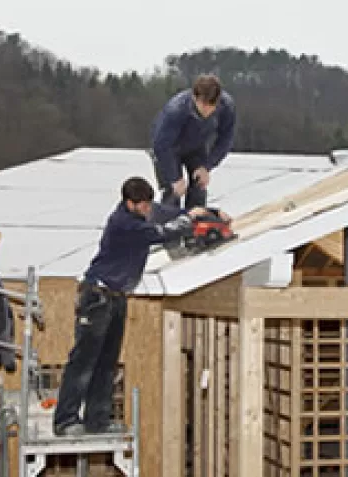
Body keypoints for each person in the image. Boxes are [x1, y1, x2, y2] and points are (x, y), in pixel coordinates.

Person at [53, 176, 207, 436]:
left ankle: (96, 421)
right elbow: (163, 233)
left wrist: (205, 212)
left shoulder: (143, 211)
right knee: (84, 361)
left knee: (107, 362)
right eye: (143, 206)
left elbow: (166, 213)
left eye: (149, 204)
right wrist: (189, 221)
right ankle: (65, 420)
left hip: (116, 296)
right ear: (129, 203)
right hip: (97, 295)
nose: (149, 209)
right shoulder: (123, 223)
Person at [150, 73, 236, 210]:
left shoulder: (227, 107)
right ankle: (168, 225)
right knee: (173, 192)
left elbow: (225, 139)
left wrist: (207, 166)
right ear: (194, 97)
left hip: (196, 148)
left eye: (212, 105)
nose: (207, 110)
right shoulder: (176, 110)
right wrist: (174, 177)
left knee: (199, 187)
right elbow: (161, 145)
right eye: (203, 104)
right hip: (168, 149)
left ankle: (195, 224)